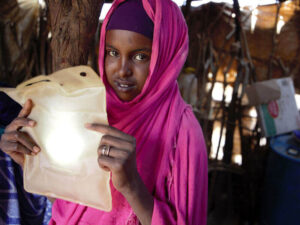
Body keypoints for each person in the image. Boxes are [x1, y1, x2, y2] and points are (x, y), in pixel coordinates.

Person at [0, 0, 208, 224]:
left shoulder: (182, 132)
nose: (122, 70)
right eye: (112, 52)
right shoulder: (92, 110)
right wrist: (30, 162)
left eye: (140, 56)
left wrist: (131, 186)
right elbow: (70, 206)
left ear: (166, 54)